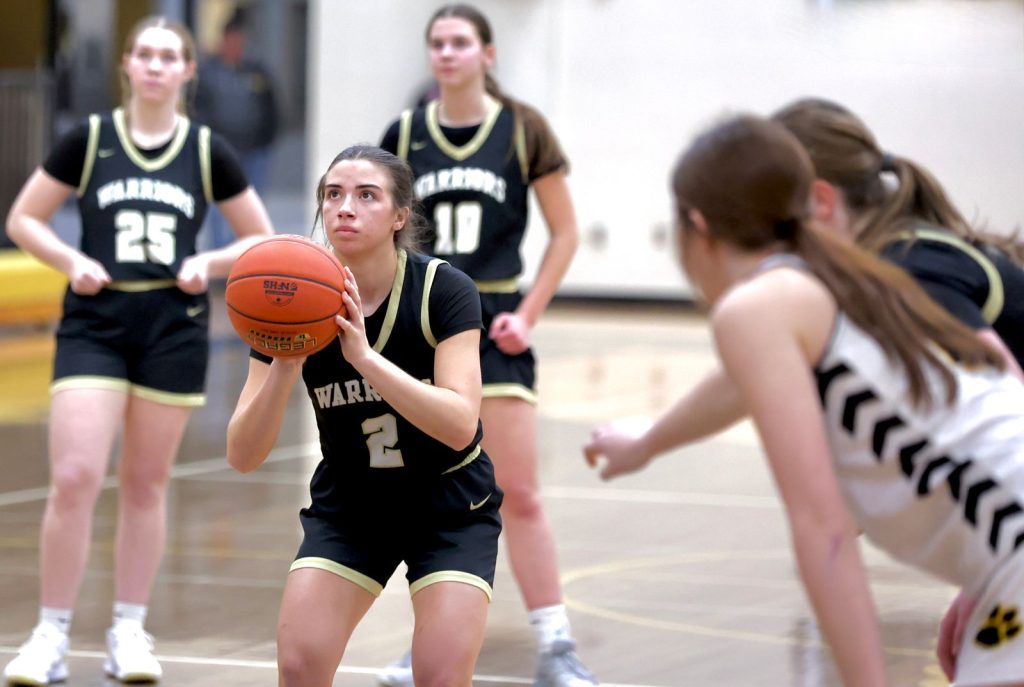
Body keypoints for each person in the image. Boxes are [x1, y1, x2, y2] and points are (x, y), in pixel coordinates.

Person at [583, 114, 1024, 686]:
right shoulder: (845, 275)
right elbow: (739, 383)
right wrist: (646, 443)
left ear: (697, 227)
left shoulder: (758, 308)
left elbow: (825, 532)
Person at [2, 15, 273, 685]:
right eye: (144, 54)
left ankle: (128, 626)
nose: (154, 65)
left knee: (147, 484)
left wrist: (207, 263)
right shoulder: (89, 140)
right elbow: (23, 218)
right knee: (74, 476)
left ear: (187, 71)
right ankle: (50, 632)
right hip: (96, 318)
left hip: (171, 324)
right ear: (127, 65)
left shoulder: (208, 151)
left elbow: (259, 239)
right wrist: (70, 259)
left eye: (168, 56)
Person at [226, 144, 503, 686]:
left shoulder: (442, 290)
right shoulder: (287, 296)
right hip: (353, 501)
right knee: (300, 667)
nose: (344, 207)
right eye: (333, 195)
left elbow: (459, 423)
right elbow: (242, 454)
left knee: (441, 676)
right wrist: (285, 366)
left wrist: (365, 359)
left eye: (365, 195)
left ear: (400, 215)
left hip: (448, 503)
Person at [378, 5, 597, 686]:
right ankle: (425, 645)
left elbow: (565, 232)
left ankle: (557, 644)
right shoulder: (406, 133)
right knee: (426, 491)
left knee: (519, 487)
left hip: (496, 313)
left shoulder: (522, 129)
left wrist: (529, 313)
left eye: (460, 42)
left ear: (488, 53)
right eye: (437, 43)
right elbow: (386, 235)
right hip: (426, 315)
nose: (447, 53)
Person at [773, 97, 1024, 377]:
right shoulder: (904, 252)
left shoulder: (912, 270)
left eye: (771, 217)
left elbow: (1008, 396)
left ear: (820, 201)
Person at [194, 11, 278, 250]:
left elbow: (271, 106)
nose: (235, 46)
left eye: (239, 41)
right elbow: (198, 108)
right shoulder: (208, 71)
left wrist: (267, 140)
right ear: (223, 41)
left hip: (254, 151)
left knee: (251, 207)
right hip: (219, 152)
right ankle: (220, 256)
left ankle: (243, 257)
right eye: (231, 41)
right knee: (218, 210)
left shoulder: (257, 71)